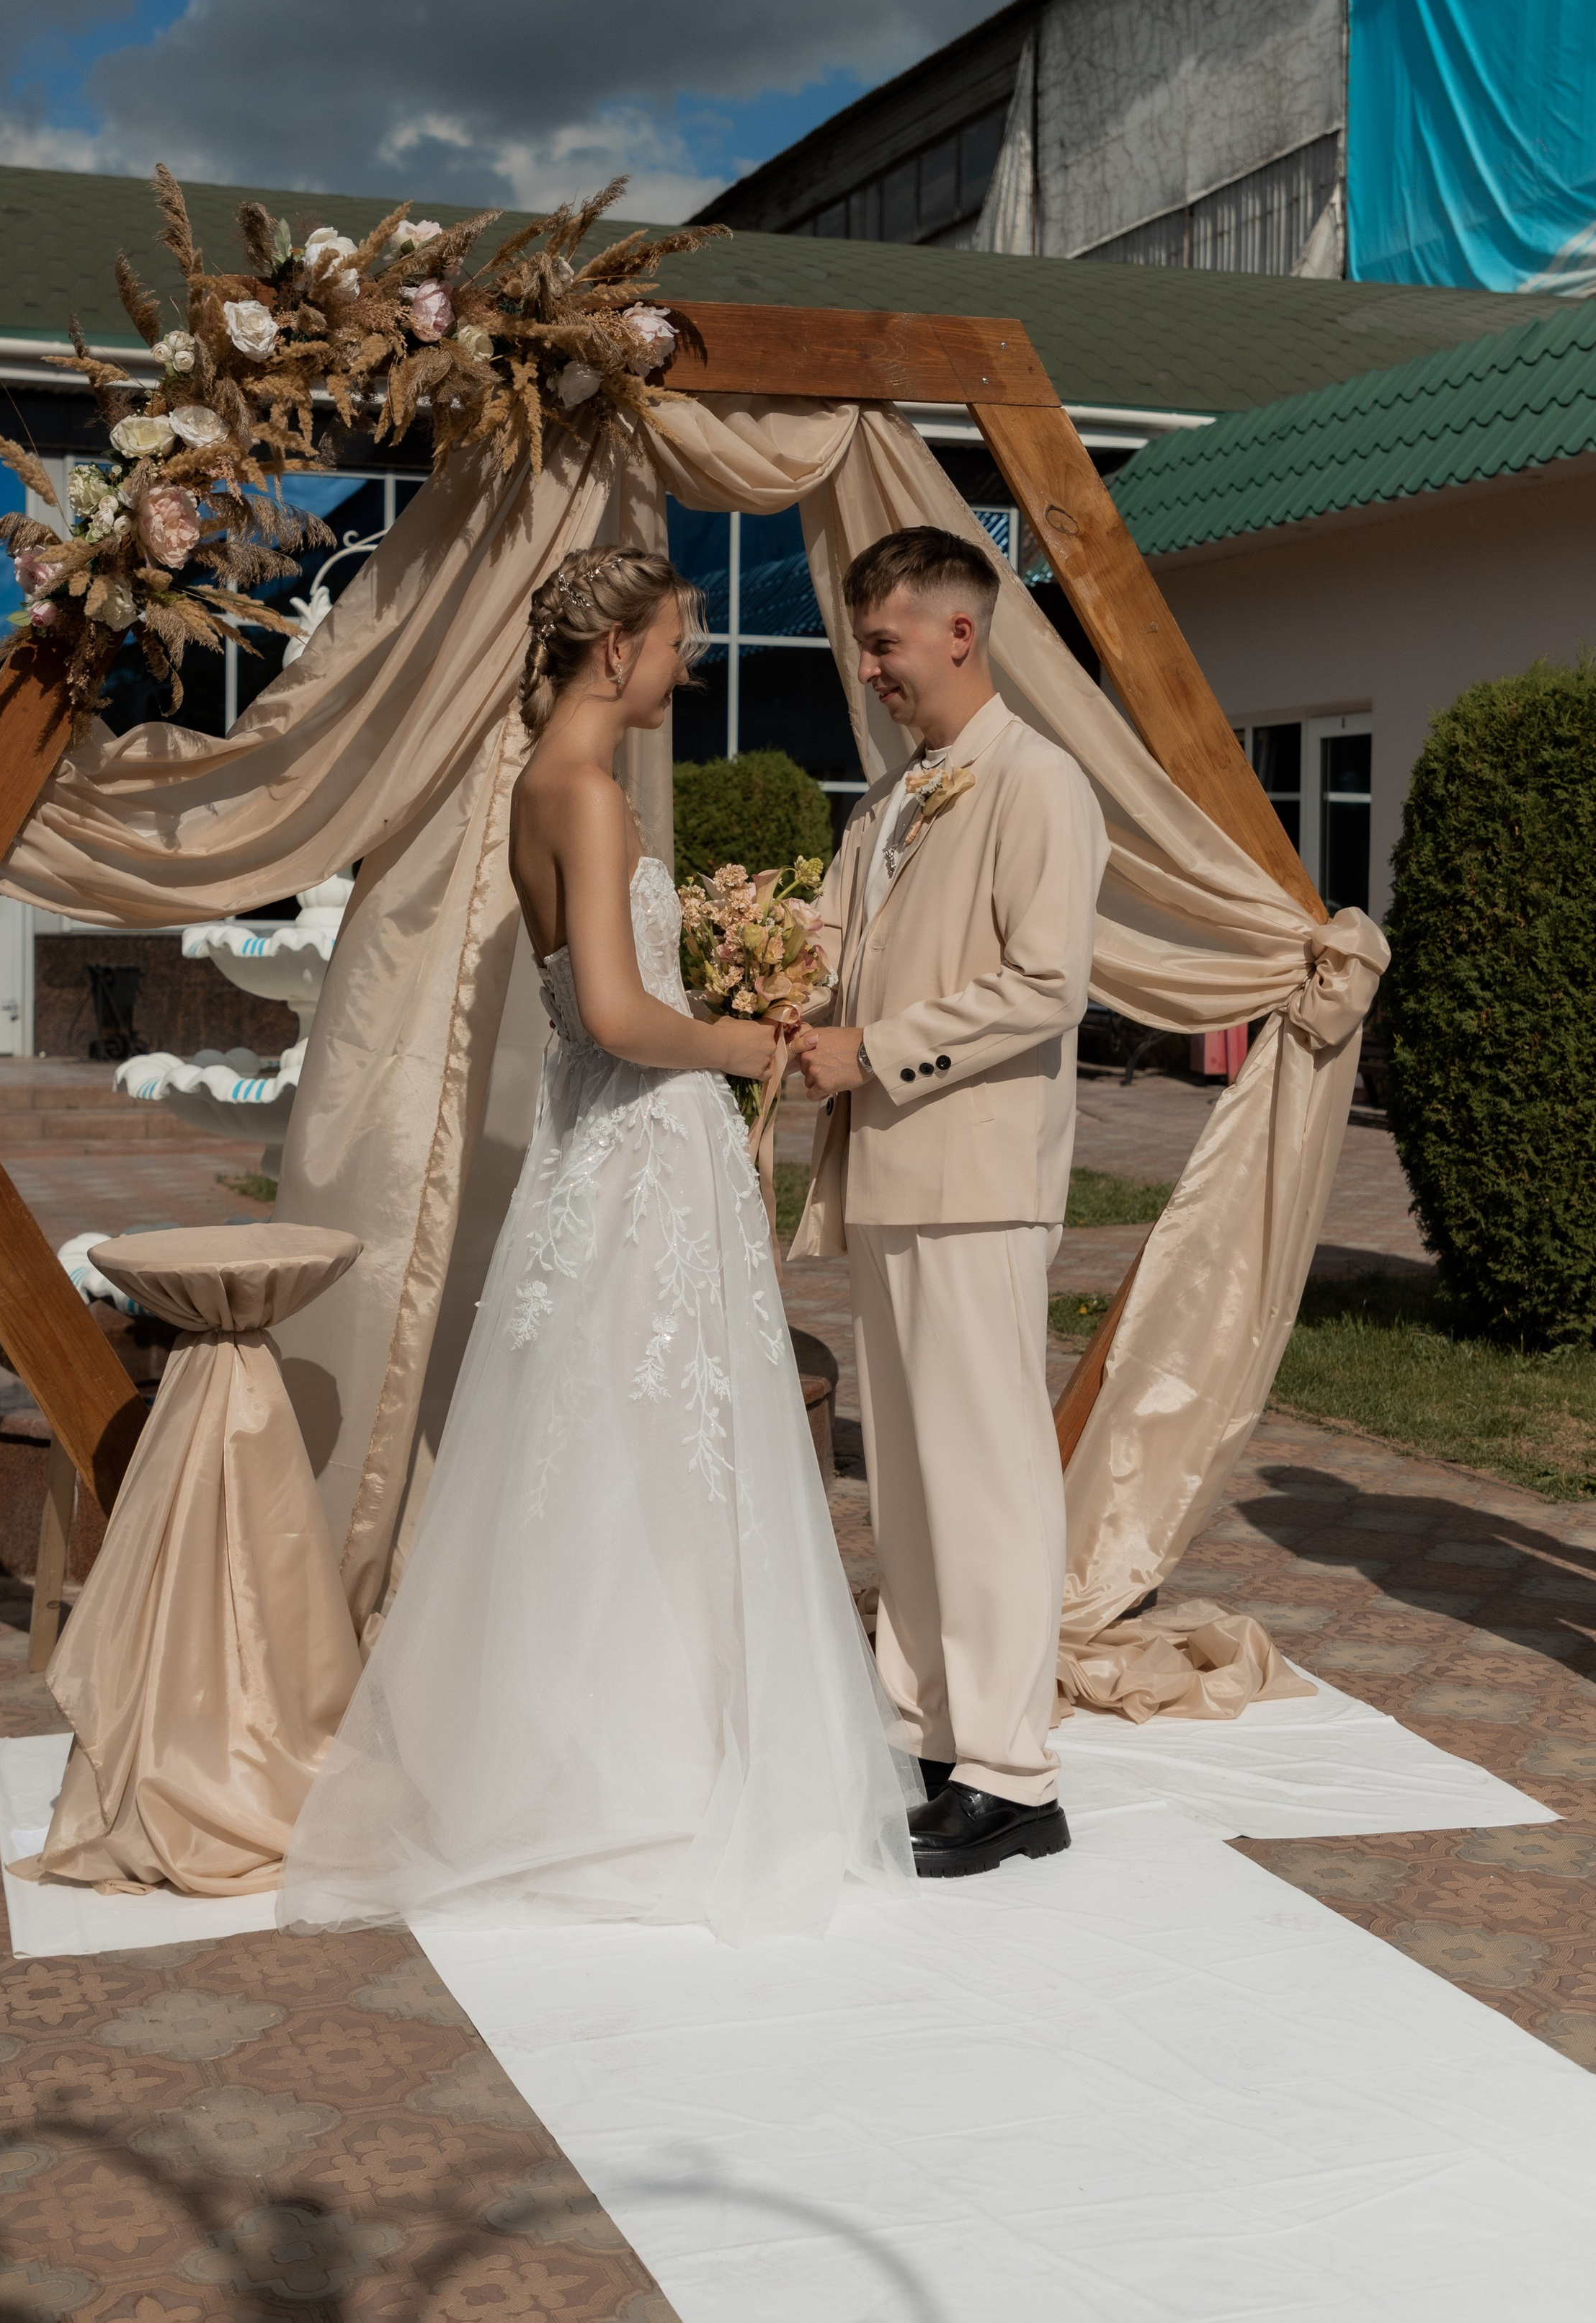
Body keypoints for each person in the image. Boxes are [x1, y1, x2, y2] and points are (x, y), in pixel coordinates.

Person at [279, 546, 915, 1943]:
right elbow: (620, 1017)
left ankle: (603, 1741)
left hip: (609, 1148)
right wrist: (760, 1042)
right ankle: (645, 1770)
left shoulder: (541, 783)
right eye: (677, 641)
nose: (684, 667)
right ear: (614, 644)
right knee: (652, 1445)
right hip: (634, 1143)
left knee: (618, 1438)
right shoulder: (577, 790)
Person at [793, 527, 1107, 1879]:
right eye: (863, 644)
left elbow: (1048, 983)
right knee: (913, 1480)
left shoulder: (1040, 785)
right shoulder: (886, 801)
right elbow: (831, 949)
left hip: (976, 1173)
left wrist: (876, 1049)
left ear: (962, 633)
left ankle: (1015, 1772)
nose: (868, 670)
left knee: (985, 1477)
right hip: (891, 1175)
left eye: (885, 643)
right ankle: (931, 1731)